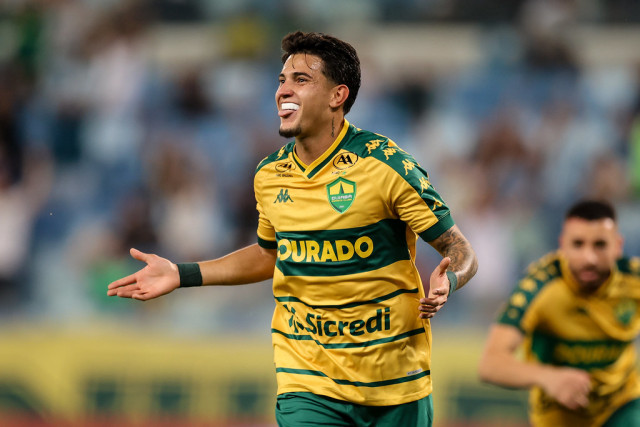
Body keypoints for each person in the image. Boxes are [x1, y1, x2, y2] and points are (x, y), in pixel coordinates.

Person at [108, 31, 478, 426]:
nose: (283, 90)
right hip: (307, 381)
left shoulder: (387, 166)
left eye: (301, 79)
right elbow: (270, 254)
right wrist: (182, 274)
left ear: (338, 95)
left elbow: (460, 250)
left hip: (396, 382)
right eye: (282, 80)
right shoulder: (270, 175)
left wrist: (450, 279)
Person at [478, 199, 640, 427]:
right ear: (563, 245)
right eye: (578, 244)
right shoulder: (538, 287)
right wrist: (548, 377)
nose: (589, 258)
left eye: (600, 245)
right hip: (559, 416)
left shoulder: (633, 280)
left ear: (618, 246)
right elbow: (490, 364)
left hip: (621, 407)